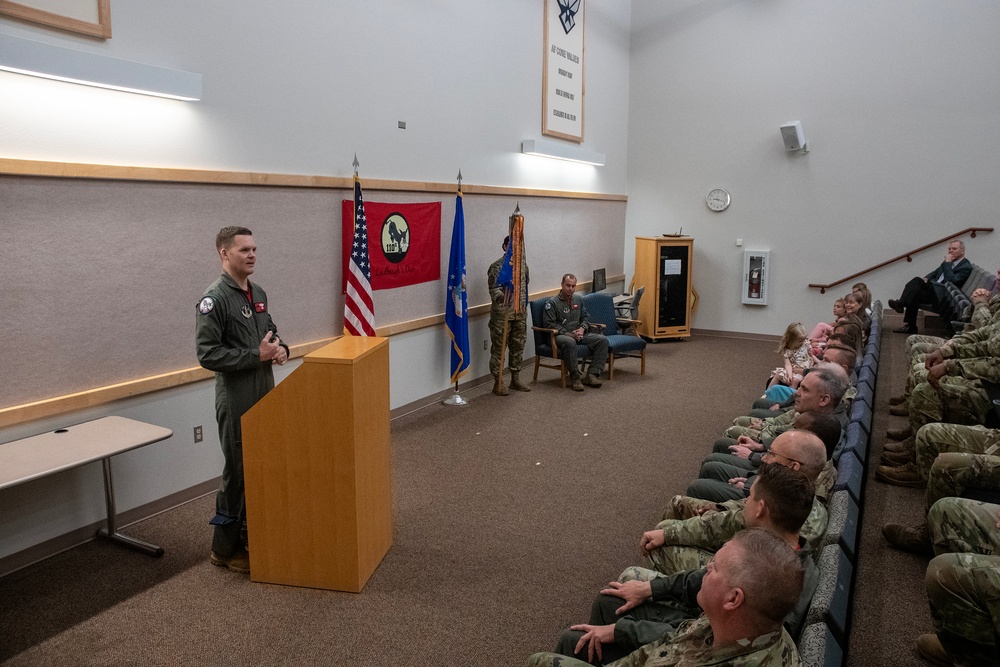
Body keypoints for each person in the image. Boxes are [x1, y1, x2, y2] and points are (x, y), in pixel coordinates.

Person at [548, 465, 818, 666]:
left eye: (714, 567)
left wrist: (626, 630)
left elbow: (687, 637)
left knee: (554, 654)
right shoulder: (772, 571)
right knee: (605, 606)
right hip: (697, 627)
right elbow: (692, 630)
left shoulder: (769, 587)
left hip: (691, 634)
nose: (707, 567)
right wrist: (626, 624)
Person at [525, 529, 804, 667]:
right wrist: (620, 631)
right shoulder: (743, 623)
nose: (705, 568)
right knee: (581, 638)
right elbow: (675, 640)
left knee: (540, 661)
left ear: (733, 599)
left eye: (714, 568)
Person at [196, 226, 289, 574]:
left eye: (254, 249)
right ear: (224, 253)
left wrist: (280, 349)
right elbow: (207, 354)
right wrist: (256, 355)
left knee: (263, 465)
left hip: (264, 389)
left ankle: (253, 534)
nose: (251, 255)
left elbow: (270, 331)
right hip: (235, 396)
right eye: (243, 250)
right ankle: (223, 548)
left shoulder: (258, 292)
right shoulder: (213, 299)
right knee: (238, 472)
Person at [888, 239, 971, 334]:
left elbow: (951, 281)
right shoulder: (950, 262)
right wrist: (927, 278)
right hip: (933, 289)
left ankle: (901, 304)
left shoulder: (965, 266)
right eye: (949, 249)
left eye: (954, 249)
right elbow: (935, 272)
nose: (950, 251)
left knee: (916, 282)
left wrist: (947, 263)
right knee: (915, 292)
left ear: (962, 251)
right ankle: (911, 326)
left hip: (943, 295)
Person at [542, 274, 610, 391]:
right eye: (568, 285)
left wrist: (582, 329)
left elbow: (585, 317)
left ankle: (592, 374)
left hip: (578, 334)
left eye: (573, 286)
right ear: (562, 285)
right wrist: (569, 334)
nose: (571, 289)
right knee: (570, 342)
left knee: (602, 340)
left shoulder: (578, 299)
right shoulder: (552, 303)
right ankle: (575, 378)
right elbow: (549, 324)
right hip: (559, 336)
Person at [487, 236, 530, 396]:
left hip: (520, 313)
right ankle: (498, 382)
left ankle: (515, 379)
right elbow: (493, 289)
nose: (514, 251)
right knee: (499, 350)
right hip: (502, 315)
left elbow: (525, 288)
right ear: (505, 247)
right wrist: (502, 297)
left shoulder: (523, 266)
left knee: (518, 347)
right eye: (511, 246)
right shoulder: (497, 267)